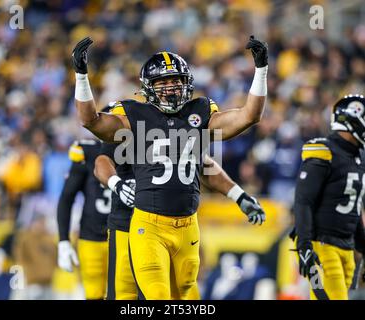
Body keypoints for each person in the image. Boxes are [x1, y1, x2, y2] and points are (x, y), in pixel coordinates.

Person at [72, 35, 268, 299]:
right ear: (148, 87)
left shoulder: (199, 112)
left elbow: (249, 116)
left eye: (175, 81)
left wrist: (261, 70)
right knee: (154, 296)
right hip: (147, 224)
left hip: (188, 225)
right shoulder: (133, 114)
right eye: (162, 83)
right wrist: (82, 75)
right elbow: (90, 121)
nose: (170, 88)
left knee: (186, 296)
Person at [94, 141, 266, 300]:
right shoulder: (128, 112)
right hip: (130, 225)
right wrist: (116, 184)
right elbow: (102, 159)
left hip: (177, 225)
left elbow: (202, 164)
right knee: (132, 295)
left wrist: (238, 195)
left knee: (184, 294)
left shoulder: (185, 116)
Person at [292, 94, 365, 300]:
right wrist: (304, 246)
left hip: (347, 248)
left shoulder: (358, 157)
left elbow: (354, 206)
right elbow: (303, 200)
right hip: (322, 246)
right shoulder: (324, 150)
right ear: (351, 120)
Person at [57, 139, 111, 300]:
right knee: (94, 294)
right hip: (91, 236)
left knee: (126, 295)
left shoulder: (136, 144)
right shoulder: (86, 150)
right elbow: (67, 197)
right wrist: (63, 240)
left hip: (125, 235)